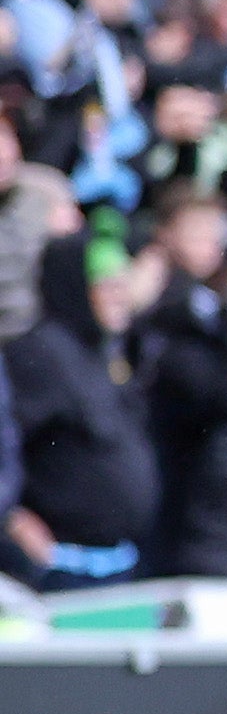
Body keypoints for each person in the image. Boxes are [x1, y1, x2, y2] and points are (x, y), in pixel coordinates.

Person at [127, 186, 227, 579]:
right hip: (185, 506)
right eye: (197, 232)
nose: (210, 245)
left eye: (214, 234)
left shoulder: (210, 306)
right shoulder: (163, 311)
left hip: (224, 510)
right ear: (165, 234)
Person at [4, 232, 158, 585]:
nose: (121, 297)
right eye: (107, 285)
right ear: (75, 287)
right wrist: (10, 516)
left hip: (115, 564)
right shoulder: (41, 354)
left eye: (124, 284)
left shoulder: (103, 351)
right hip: (61, 569)